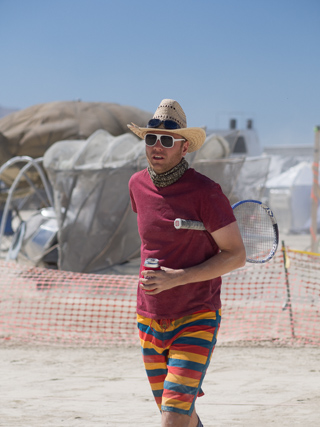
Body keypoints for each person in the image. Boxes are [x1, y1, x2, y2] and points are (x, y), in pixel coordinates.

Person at [128, 99, 246, 427]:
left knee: (173, 416)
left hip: (196, 316)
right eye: (151, 138)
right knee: (181, 414)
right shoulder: (136, 185)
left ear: (184, 148)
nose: (157, 146)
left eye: (167, 140)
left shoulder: (206, 193)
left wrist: (177, 278)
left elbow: (236, 255)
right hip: (148, 319)